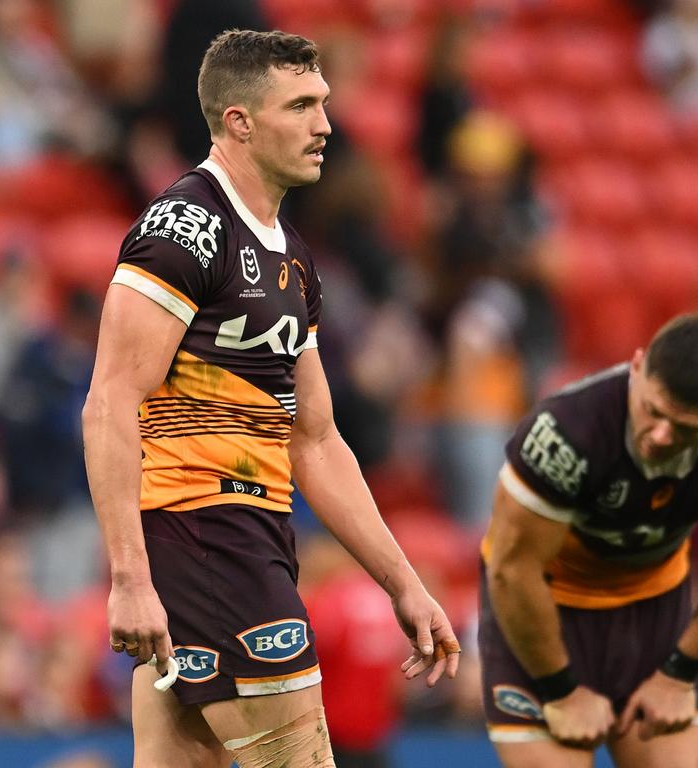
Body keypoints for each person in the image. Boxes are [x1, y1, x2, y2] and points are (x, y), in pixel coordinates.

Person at [81, 29, 461, 767]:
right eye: (301, 106)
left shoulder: (291, 256)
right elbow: (108, 403)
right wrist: (128, 579)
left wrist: (403, 583)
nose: (325, 125)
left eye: (323, 103)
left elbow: (315, 440)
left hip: (250, 536)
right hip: (206, 538)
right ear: (240, 122)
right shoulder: (184, 230)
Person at [479, 313, 698, 767]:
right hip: (541, 615)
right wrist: (561, 688)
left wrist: (679, 673)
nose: (661, 435)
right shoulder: (564, 433)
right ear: (637, 366)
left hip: (654, 612)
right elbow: (512, 569)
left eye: (686, 429)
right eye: (653, 411)